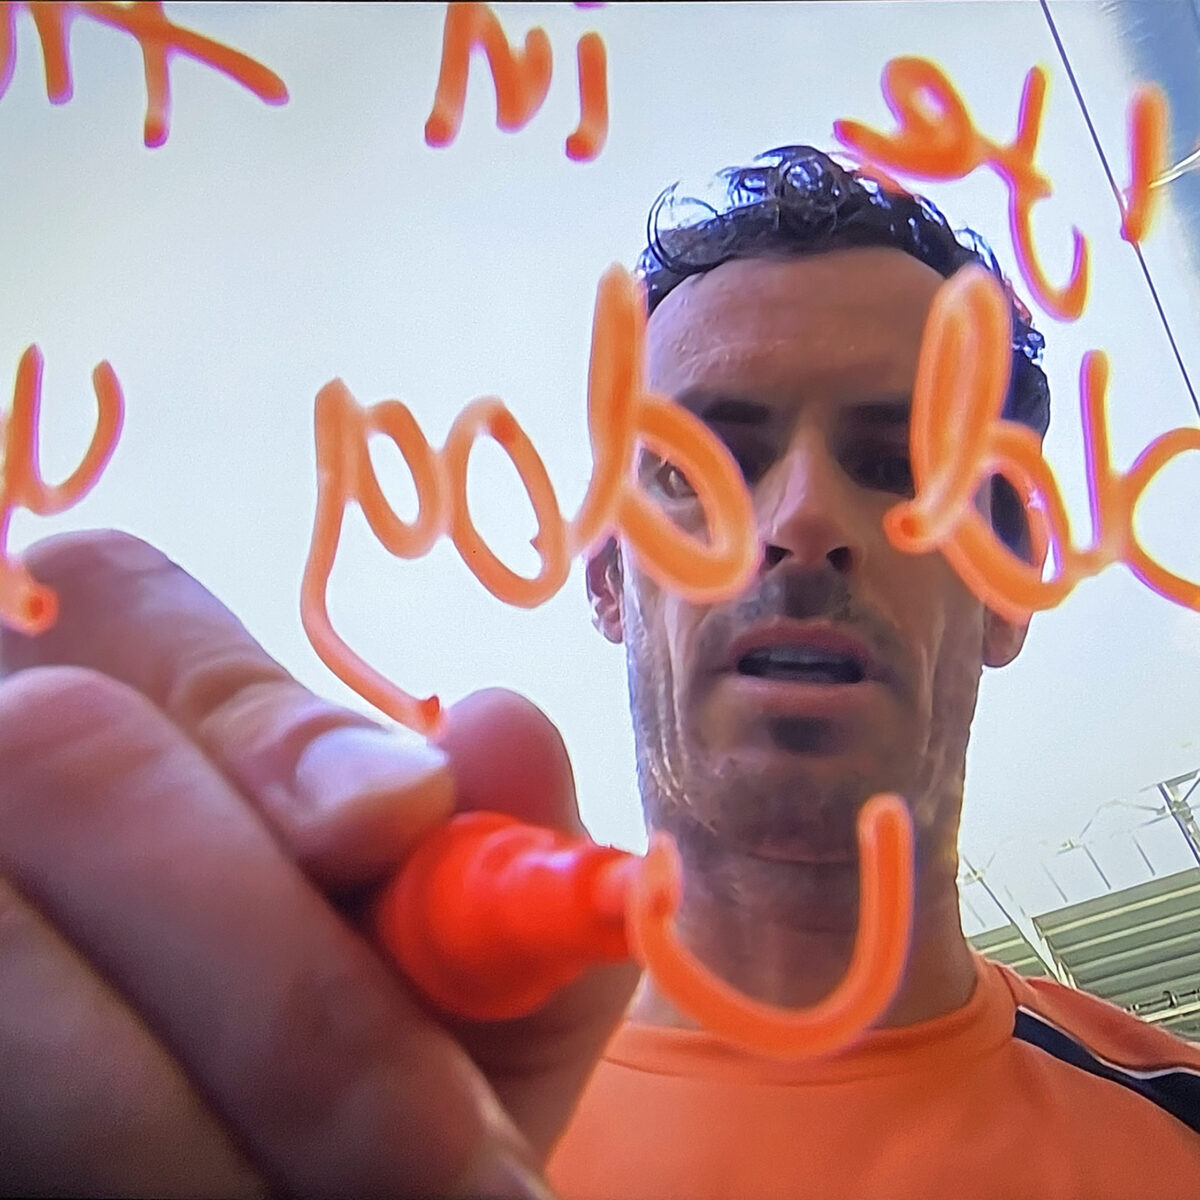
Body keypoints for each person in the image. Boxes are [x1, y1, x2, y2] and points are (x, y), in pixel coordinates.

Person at [0, 145, 1195, 1200]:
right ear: (610, 578)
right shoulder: (371, 1121)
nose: (800, 518)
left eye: (898, 465)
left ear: (1006, 584)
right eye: (703, 465)